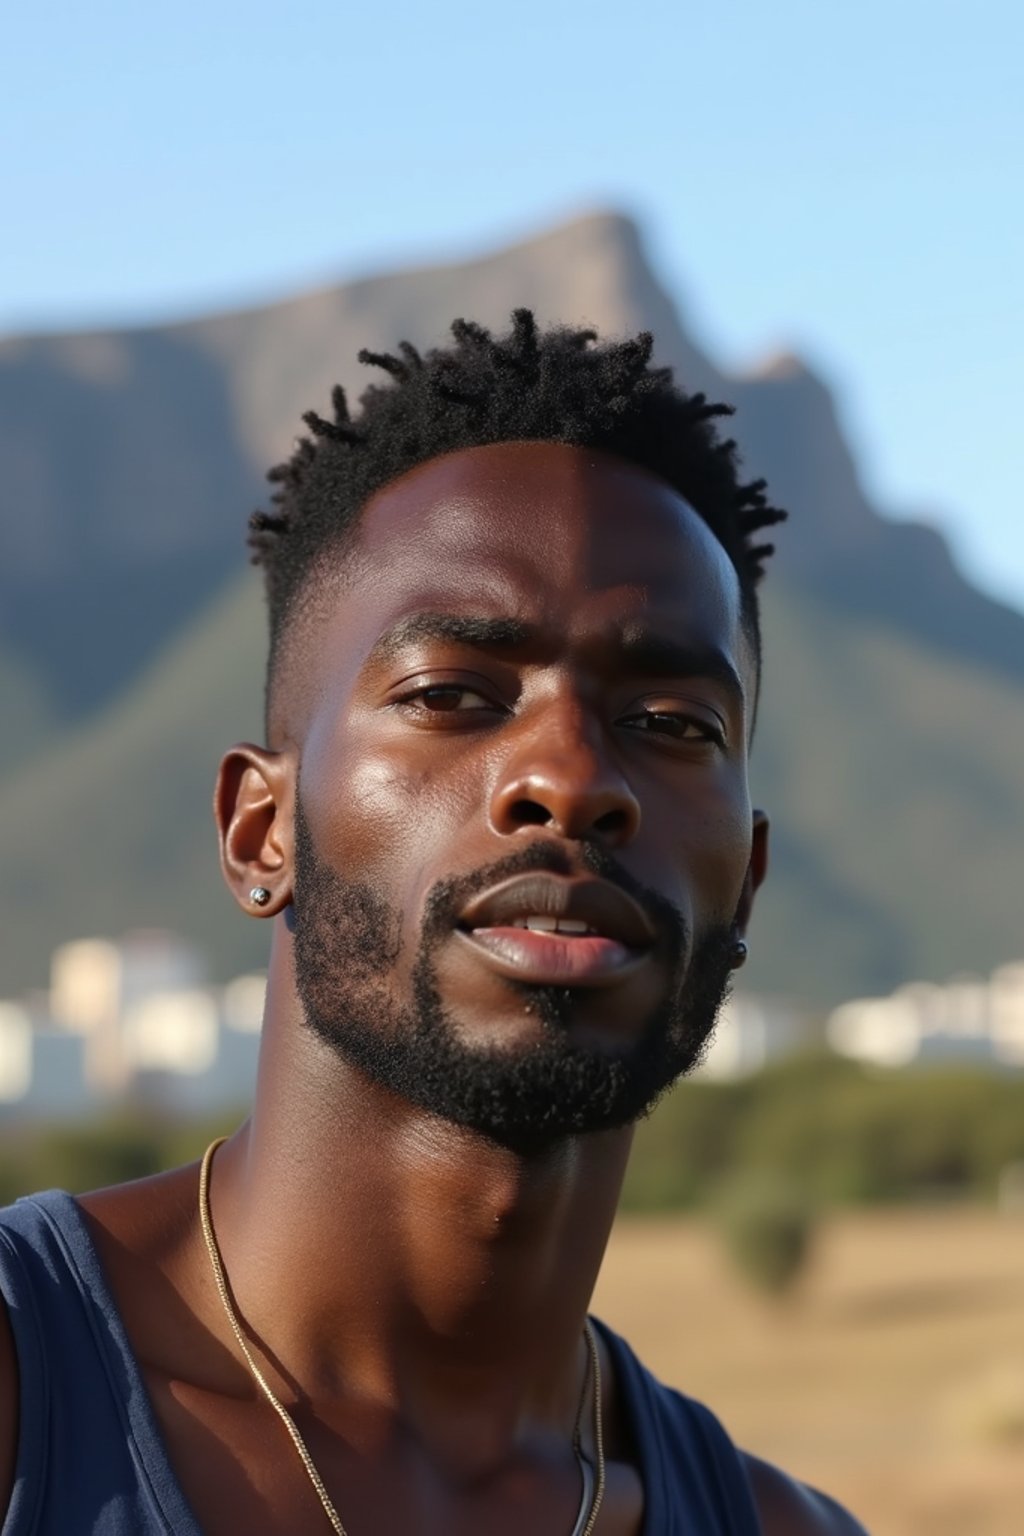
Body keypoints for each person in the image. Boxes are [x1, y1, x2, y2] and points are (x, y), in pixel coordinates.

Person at [0, 312, 867, 1534]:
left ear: (749, 885)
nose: (571, 778)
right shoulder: (27, 1391)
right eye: (451, 694)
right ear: (262, 833)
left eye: (672, 723)